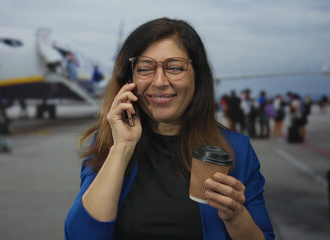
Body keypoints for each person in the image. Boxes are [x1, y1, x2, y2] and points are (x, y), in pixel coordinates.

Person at [64, 18, 274, 240]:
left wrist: (235, 215)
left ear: (198, 76)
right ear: (129, 80)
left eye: (174, 68)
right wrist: (122, 147)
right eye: (145, 69)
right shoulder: (109, 143)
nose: (160, 81)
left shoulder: (235, 149)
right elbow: (78, 236)